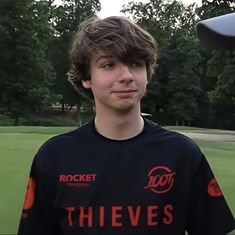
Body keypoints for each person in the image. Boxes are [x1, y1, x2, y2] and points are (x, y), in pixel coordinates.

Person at [18, 16, 235, 235]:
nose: (126, 76)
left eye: (135, 64)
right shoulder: (54, 156)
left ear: (147, 73)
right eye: (109, 65)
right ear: (86, 77)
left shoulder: (182, 153)